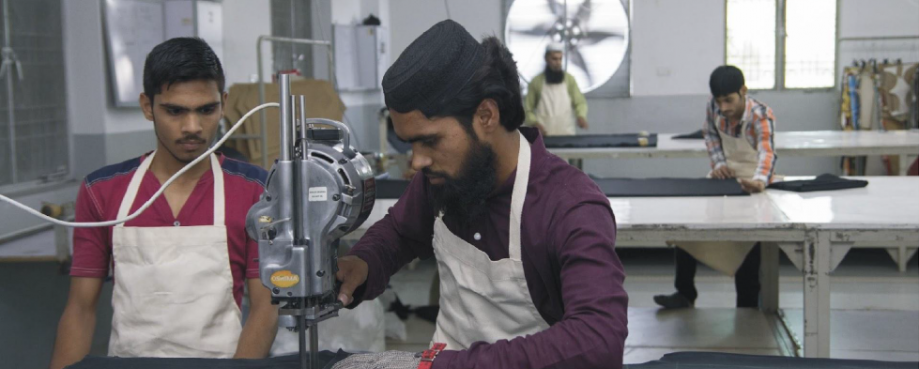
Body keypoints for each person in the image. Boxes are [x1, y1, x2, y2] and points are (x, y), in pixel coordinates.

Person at [331, 20, 628, 369]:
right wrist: (361, 264)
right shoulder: (443, 178)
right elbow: (399, 232)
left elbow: (598, 339)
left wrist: (452, 366)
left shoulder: (569, 205)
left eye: (430, 140)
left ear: (486, 115)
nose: (417, 161)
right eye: (410, 144)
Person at [49, 38, 278, 369]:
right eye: (174, 111)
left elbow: (265, 308)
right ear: (147, 106)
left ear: (223, 103)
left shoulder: (256, 190)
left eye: (206, 109)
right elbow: (81, 308)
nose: (192, 127)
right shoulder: (102, 191)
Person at [653, 65, 778, 310]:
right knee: (688, 226)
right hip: (726, 175)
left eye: (729, 101)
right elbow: (709, 135)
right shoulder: (713, 106)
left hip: (755, 179)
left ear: (743, 91)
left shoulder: (761, 115)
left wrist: (760, 181)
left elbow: (767, 152)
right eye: (719, 102)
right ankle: (684, 292)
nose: (724, 108)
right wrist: (719, 163)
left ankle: (747, 306)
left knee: (747, 239)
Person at [524, 42, 589, 137]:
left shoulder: (570, 80)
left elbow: (580, 102)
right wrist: (534, 123)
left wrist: (581, 116)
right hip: (543, 137)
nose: (558, 63)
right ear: (546, 59)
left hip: (567, 135)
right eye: (554, 59)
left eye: (560, 59)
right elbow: (528, 109)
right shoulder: (536, 82)